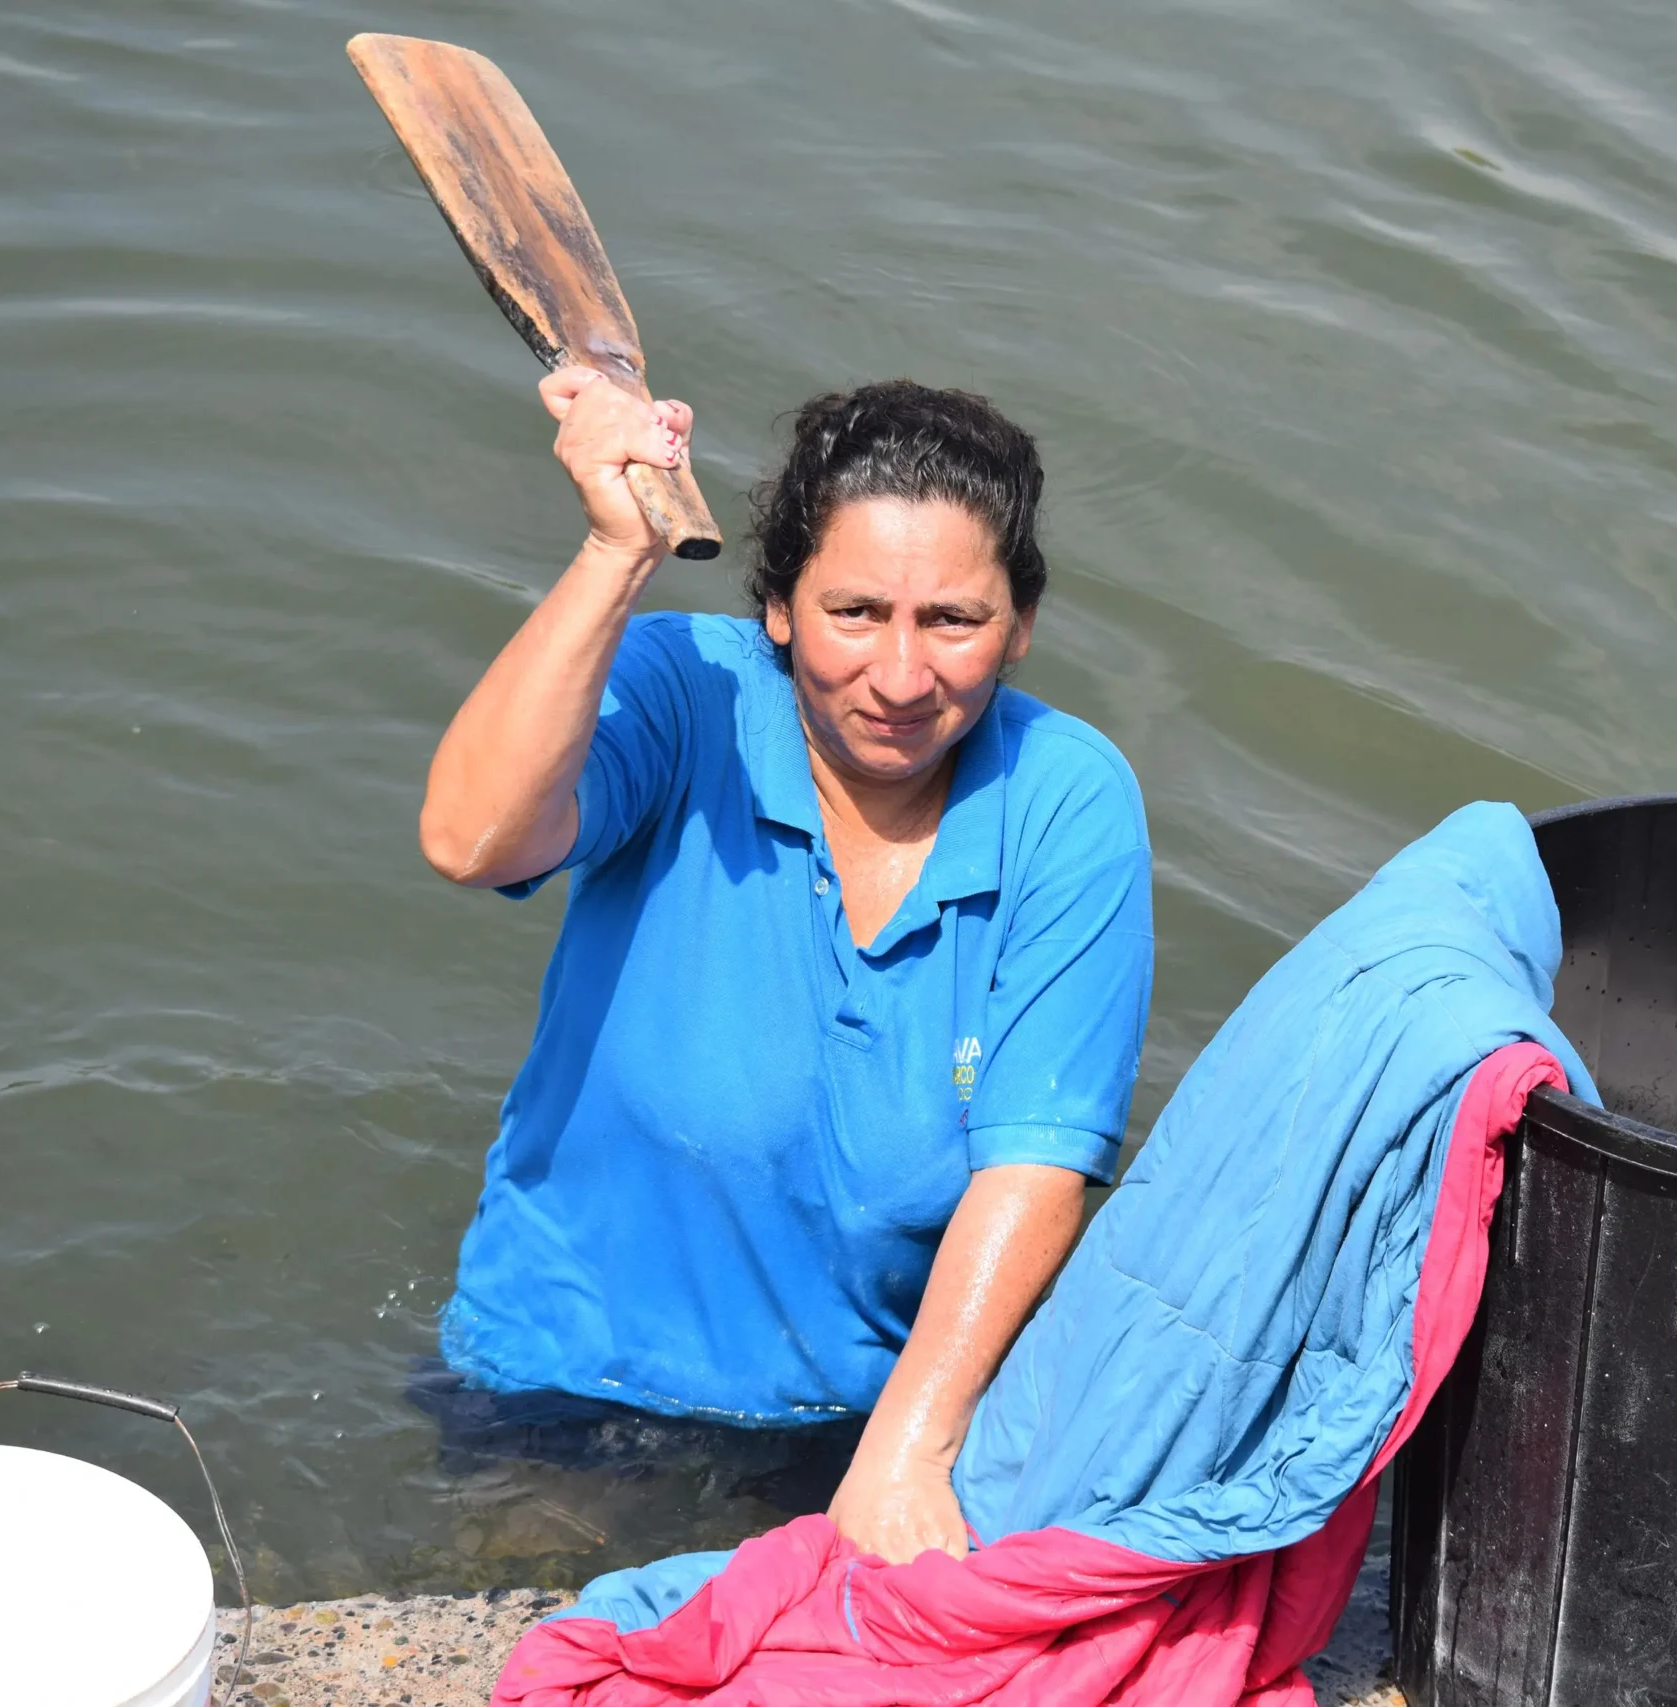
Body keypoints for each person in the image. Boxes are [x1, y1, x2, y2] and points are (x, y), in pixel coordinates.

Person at [417, 367, 1154, 1566]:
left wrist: (910, 1444)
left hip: (862, 1417)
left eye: (953, 622)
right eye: (854, 612)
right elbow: (470, 837)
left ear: (1020, 624)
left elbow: (1040, 1160)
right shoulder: (689, 695)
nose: (903, 677)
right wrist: (616, 551)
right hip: (568, 1377)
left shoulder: (1066, 803)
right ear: (778, 608)